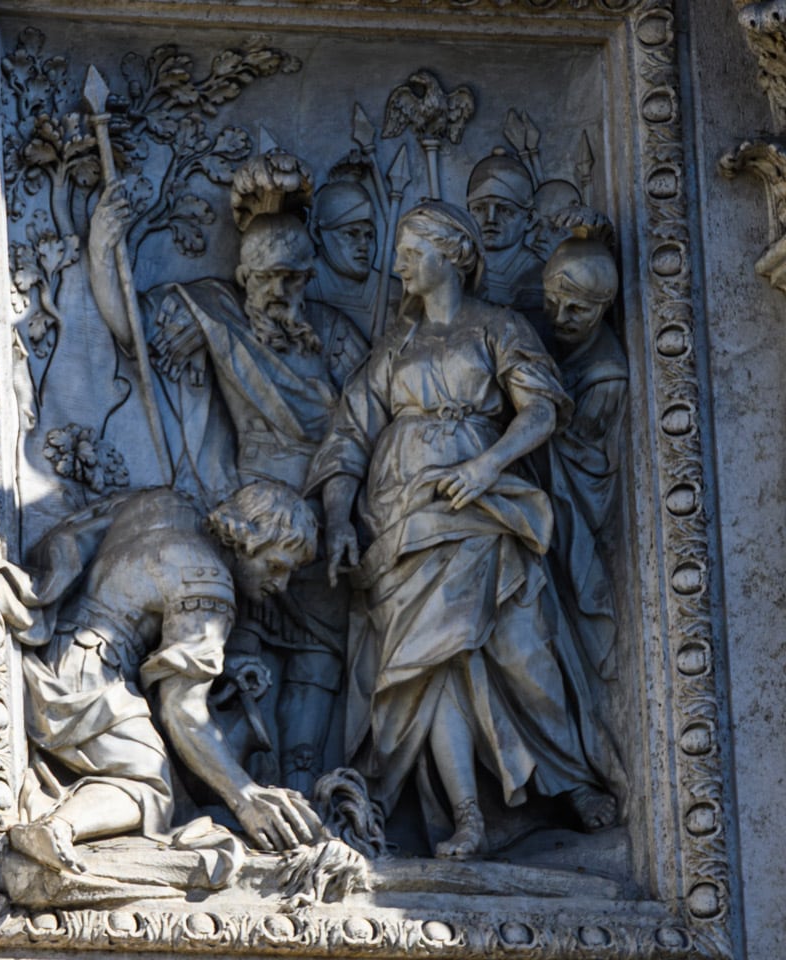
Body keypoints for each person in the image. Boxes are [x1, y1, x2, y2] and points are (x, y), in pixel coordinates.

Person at [308, 201, 618, 859]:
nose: (398, 266)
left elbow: (542, 410)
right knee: (435, 663)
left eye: (410, 252)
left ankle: (568, 778)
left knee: (523, 646)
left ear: (452, 254)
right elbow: (346, 439)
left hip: (484, 503)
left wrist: (486, 466)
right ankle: (468, 816)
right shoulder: (394, 347)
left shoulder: (498, 328)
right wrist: (337, 518)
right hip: (403, 515)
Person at [88, 170, 369, 795]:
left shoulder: (340, 338)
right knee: (244, 650)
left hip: (326, 512)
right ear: (245, 277)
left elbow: (375, 412)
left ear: (309, 275)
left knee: (320, 651)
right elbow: (132, 323)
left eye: (293, 278)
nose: (281, 292)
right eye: (268, 279)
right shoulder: (213, 312)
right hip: (250, 512)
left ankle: (307, 777)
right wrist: (105, 240)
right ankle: (240, 786)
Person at [0, 482, 323, 872]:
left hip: (51, 643)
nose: (279, 585)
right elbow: (182, 712)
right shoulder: (210, 587)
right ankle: (58, 827)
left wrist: (222, 667)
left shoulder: (167, 504)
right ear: (245, 538)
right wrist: (244, 796)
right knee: (153, 788)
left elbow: (94, 554)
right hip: (84, 684)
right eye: (275, 565)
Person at [541, 236, 628, 682]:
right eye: (553, 302)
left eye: (576, 309)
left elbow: (576, 456)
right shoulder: (555, 334)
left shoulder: (605, 376)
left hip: (574, 499)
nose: (560, 317)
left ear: (603, 307)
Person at [466, 148, 547, 339]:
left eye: (504, 210)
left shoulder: (542, 275)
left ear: (529, 218)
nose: (490, 219)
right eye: (479, 208)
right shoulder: (456, 271)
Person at [308, 180, 401, 341]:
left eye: (369, 235)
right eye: (351, 234)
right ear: (317, 233)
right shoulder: (300, 286)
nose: (364, 245)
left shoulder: (393, 292)